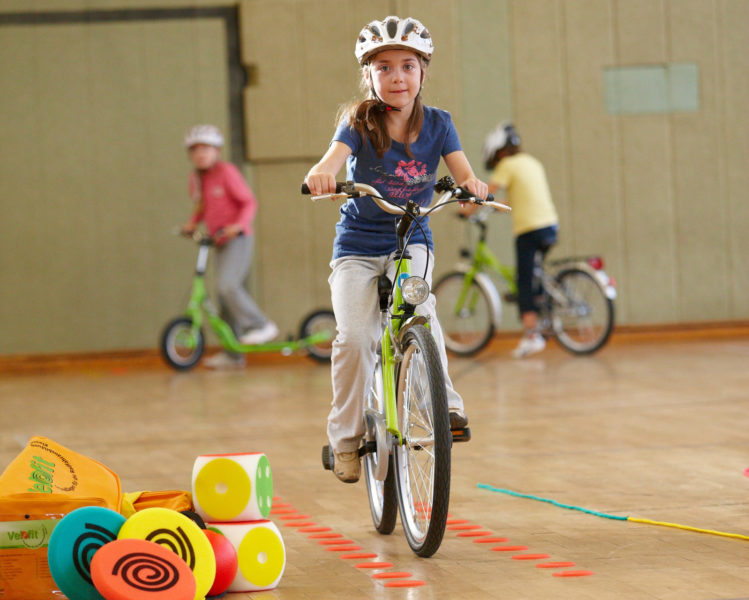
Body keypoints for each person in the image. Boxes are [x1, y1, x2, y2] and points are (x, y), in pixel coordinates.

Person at [304, 16, 489, 483]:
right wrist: (322, 174)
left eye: (408, 65)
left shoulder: (440, 124)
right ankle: (345, 438)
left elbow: (463, 173)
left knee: (422, 314)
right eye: (383, 67)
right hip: (359, 247)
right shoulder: (358, 123)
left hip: (414, 237)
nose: (397, 77)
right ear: (368, 75)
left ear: (424, 72)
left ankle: (446, 406)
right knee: (356, 337)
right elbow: (332, 159)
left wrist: (473, 186)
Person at [181, 124, 278, 369]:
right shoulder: (196, 178)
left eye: (206, 148)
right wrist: (192, 224)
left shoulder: (227, 172)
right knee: (224, 299)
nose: (200, 154)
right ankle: (233, 354)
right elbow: (202, 206)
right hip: (218, 241)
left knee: (228, 286)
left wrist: (239, 225)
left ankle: (261, 325)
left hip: (238, 238)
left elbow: (248, 202)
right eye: (195, 149)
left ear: (217, 150)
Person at [482, 121, 559, 358]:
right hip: (549, 226)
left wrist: (467, 209)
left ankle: (532, 335)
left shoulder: (506, 164)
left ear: (498, 151)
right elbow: (523, 198)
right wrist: (499, 206)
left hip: (529, 230)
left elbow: (486, 193)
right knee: (534, 274)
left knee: (523, 280)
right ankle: (542, 311)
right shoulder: (531, 162)